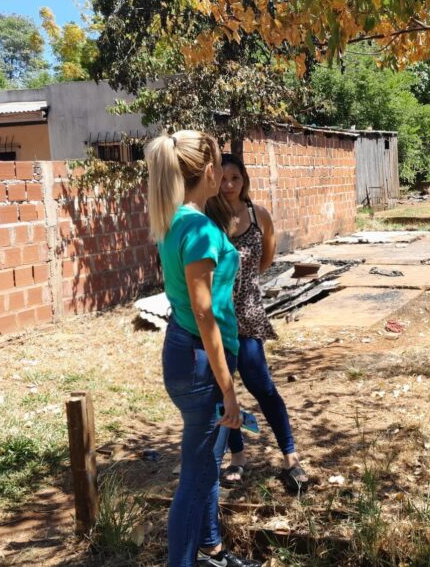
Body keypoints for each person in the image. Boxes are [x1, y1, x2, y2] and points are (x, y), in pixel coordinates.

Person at [146, 132, 260, 567]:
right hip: (200, 358)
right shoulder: (196, 228)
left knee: (206, 464)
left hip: (187, 350)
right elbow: (203, 312)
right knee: (194, 478)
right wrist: (228, 388)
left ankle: (210, 549)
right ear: (208, 172)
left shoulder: (176, 219)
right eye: (218, 165)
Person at [205, 154, 309, 492]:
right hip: (217, 318)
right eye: (223, 178)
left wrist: (243, 283)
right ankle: (237, 456)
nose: (229, 185)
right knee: (223, 389)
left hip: (248, 314)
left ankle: (290, 456)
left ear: (244, 180)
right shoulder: (207, 217)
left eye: (235, 178)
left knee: (262, 386)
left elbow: (266, 258)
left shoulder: (257, 215)